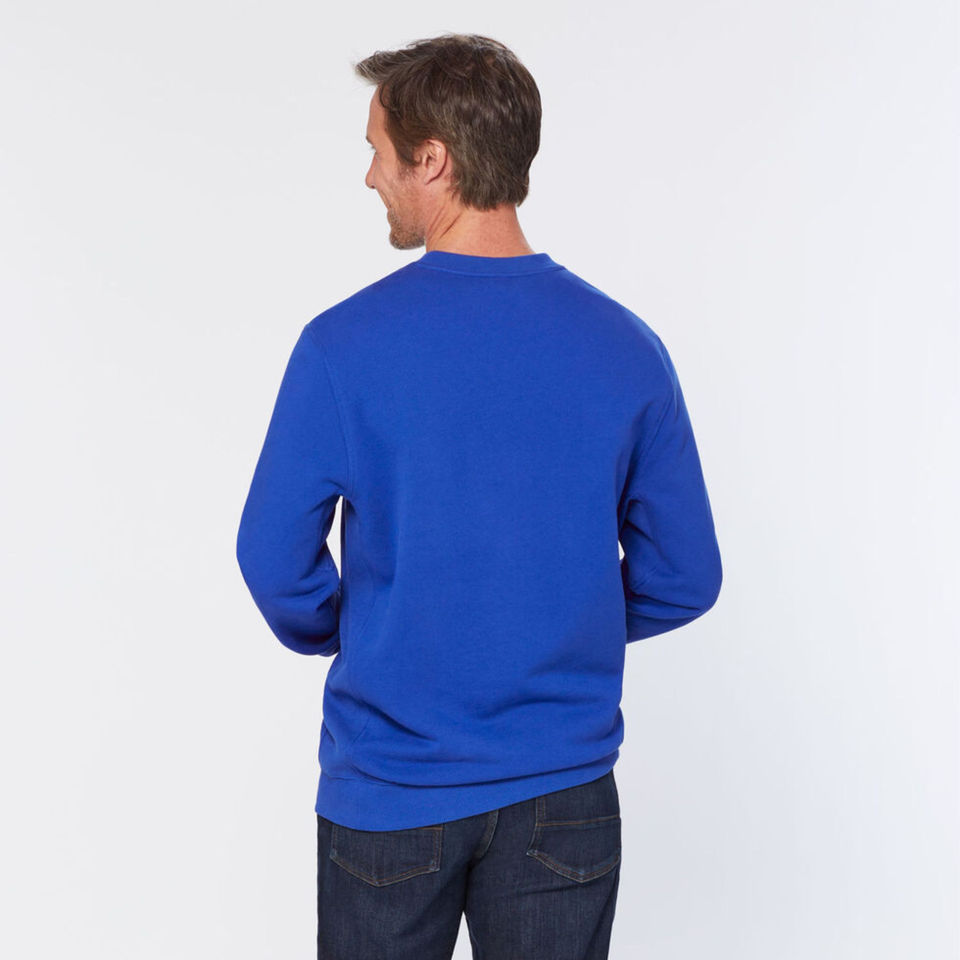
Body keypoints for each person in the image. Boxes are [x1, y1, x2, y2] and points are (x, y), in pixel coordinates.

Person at [235, 32, 723, 960]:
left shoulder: (342, 347)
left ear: (434, 160)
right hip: (564, 789)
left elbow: (271, 556)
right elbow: (686, 576)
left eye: (378, 152)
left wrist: (365, 631)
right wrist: (555, 626)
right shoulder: (627, 348)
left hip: (392, 786)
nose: (370, 176)